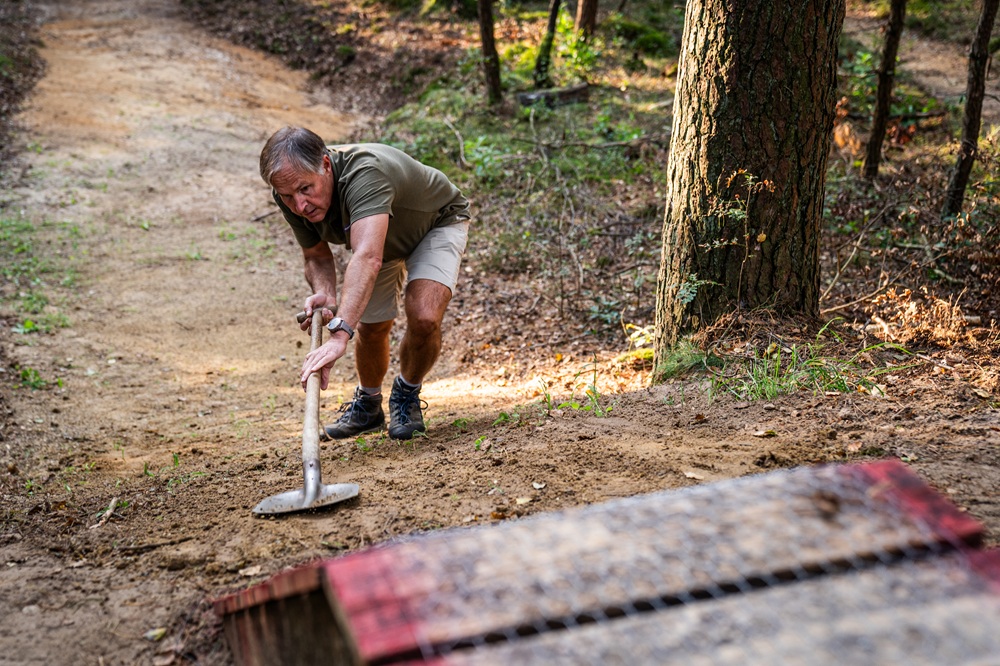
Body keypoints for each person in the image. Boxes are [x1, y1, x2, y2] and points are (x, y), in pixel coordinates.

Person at [259, 126, 471, 440]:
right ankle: (369, 406)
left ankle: (407, 394)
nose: (300, 205)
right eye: (289, 196)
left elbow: (368, 257)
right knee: (371, 326)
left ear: (326, 165)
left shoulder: (365, 173)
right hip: (377, 239)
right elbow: (316, 255)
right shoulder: (287, 190)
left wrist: (340, 332)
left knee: (424, 317)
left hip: (436, 223)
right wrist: (325, 293)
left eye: (305, 189)